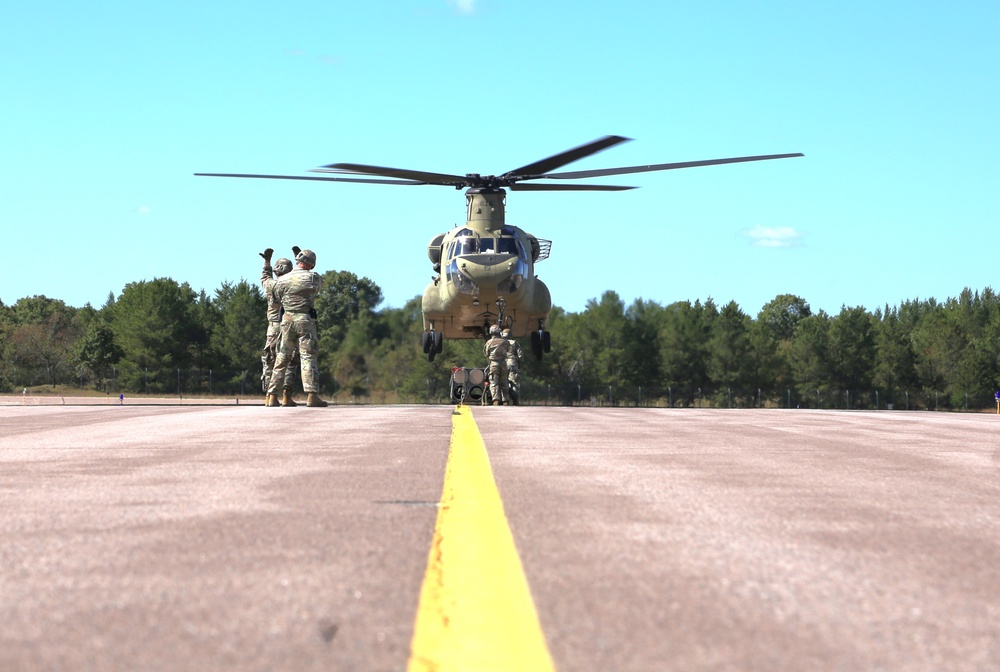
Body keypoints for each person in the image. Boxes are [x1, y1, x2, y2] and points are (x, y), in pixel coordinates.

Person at [265, 248, 328, 408]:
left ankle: (272, 396)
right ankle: (312, 395)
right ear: (311, 264)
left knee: (282, 357)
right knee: (307, 357)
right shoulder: (313, 277)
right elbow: (319, 287)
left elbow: (276, 296)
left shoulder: (283, 280)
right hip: (305, 320)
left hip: (286, 321)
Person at [259, 248, 296, 398]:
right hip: (290, 326)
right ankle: (287, 393)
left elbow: (265, 276)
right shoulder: (294, 285)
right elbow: (306, 279)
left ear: (276, 272)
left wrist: (266, 261)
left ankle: (270, 394)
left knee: (269, 360)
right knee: (290, 360)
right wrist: (299, 258)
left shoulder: (271, 286)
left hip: (273, 327)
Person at [482, 324, 510, 406]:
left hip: (494, 364)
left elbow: (486, 353)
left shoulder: (489, 342)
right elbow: (508, 350)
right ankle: (506, 400)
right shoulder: (505, 342)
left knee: (494, 382)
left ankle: (496, 400)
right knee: (504, 382)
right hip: (503, 364)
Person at [501, 328, 525, 405]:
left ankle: (505, 400)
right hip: (512, 363)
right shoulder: (514, 343)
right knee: (514, 383)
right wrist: (519, 363)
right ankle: (515, 400)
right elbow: (520, 355)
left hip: (502, 364)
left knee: (503, 382)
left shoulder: (500, 343)